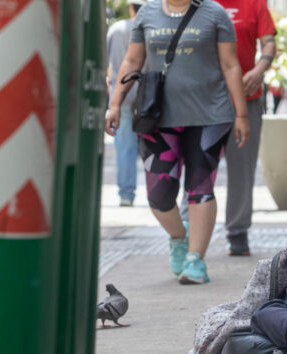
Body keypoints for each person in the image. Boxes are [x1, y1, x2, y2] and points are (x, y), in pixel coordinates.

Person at [106, 0, 250, 284]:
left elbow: (231, 65)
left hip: (210, 114)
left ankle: (196, 259)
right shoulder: (147, 13)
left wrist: (241, 114)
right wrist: (115, 102)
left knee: (200, 187)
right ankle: (179, 237)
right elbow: (132, 61)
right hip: (157, 116)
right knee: (159, 195)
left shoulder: (215, 13)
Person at [212, 0, 276, 256]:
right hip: (205, 100)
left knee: (242, 169)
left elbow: (268, 41)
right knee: (198, 168)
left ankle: (237, 231)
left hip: (248, 97)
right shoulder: (200, 4)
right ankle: (188, 232)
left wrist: (259, 70)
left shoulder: (255, 3)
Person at [106, 0, 145, 207]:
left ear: (131, 8)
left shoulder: (115, 29)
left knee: (124, 148)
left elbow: (110, 64)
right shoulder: (149, 29)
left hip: (119, 95)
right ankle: (158, 193)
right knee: (152, 146)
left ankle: (126, 194)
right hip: (145, 95)